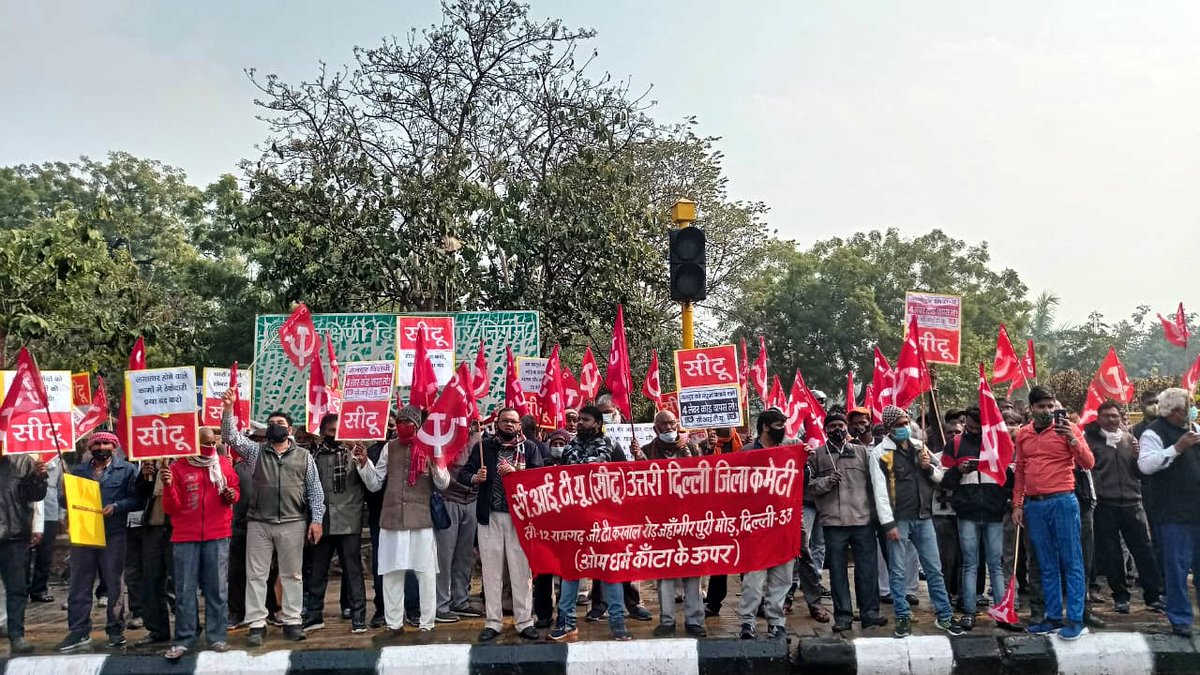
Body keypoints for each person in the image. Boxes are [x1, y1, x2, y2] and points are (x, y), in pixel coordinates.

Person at [220, 388, 326, 646]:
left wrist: (317, 519)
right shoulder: (256, 452)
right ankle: (256, 624)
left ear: (290, 430)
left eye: (280, 424)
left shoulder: (303, 456)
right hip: (259, 522)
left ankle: (292, 621)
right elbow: (230, 437)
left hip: (293, 522)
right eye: (271, 424)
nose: (274, 427)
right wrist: (228, 409)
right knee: (256, 575)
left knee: (292, 574)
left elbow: (314, 490)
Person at [356, 405, 451, 642]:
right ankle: (394, 625)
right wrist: (363, 462)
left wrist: (436, 461)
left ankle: (427, 626)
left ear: (418, 425)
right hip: (393, 519)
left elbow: (443, 483)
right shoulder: (389, 447)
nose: (402, 425)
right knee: (391, 573)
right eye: (399, 421)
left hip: (421, 520)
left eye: (407, 421)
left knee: (426, 573)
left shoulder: (431, 446)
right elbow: (375, 483)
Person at [874, 405, 963, 639]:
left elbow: (940, 475)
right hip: (898, 519)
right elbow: (880, 492)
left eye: (906, 422)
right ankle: (902, 618)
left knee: (934, 569)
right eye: (899, 424)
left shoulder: (919, 446)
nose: (904, 427)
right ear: (888, 428)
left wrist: (928, 468)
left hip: (923, 517)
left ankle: (944, 616)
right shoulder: (880, 453)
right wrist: (888, 523)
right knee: (898, 571)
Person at [1013, 386, 1093, 640]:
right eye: (1041, 407)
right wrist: (1017, 504)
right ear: (1031, 409)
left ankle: (1076, 619)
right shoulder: (1023, 434)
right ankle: (1053, 616)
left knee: (1071, 561)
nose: (1047, 411)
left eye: (1050, 406)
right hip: (1034, 504)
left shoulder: (1068, 429)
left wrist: (1072, 438)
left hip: (1063, 500)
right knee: (1046, 563)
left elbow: (1088, 463)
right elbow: (1021, 472)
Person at [457, 407, 543, 642]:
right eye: (504, 421)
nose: (508, 425)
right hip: (490, 516)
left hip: (519, 518)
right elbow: (463, 475)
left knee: (521, 571)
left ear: (519, 426)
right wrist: (476, 478)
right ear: (496, 424)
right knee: (491, 572)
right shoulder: (484, 448)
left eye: (513, 422)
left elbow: (539, 479)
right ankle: (493, 621)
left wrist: (516, 473)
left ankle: (524, 621)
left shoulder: (530, 448)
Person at [549, 405, 632, 642]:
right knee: (570, 571)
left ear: (597, 423)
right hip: (574, 520)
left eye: (585, 420)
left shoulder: (611, 446)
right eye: (578, 420)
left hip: (605, 520)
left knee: (610, 570)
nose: (579, 423)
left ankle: (617, 623)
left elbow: (624, 480)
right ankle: (566, 622)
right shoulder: (569, 449)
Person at [58, 431, 147, 653]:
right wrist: (64, 489)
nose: (101, 446)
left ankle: (115, 629)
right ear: (90, 448)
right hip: (84, 535)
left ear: (114, 447)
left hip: (113, 534)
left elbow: (137, 499)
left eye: (106, 442)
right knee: (79, 585)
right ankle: (78, 631)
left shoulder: (127, 470)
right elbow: (65, 502)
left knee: (115, 584)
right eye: (97, 443)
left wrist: (117, 507)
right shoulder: (78, 472)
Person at [160, 427, 239, 660]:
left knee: (217, 590)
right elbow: (170, 508)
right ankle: (185, 639)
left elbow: (236, 491)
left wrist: (231, 495)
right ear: (192, 444)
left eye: (213, 443)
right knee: (185, 591)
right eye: (205, 444)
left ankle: (217, 637)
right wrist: (167, 485)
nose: (210, 448)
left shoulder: (224, 464)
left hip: (218, 535)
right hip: (185, 537)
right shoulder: (177, 467)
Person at [807, 412, 889, 633]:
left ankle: (870, 614)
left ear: (847, 428)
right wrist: (825, 482)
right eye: (832, 426)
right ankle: (843, 616)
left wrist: (877, 516)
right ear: (826, 430)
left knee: (867, 570)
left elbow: (875, 485)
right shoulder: (817, 456)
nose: (837, 429)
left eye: (840, 425)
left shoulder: (863, 452)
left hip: (863, 520)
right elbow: (808, 487)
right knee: (837, 572)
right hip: (833, 523)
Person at [941, 407, 1019, 631]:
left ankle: (1003, 613)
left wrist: (1006, 497)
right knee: (969, 564)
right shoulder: (955, 444)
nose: (975, 431)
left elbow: (1010, 477)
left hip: (994, 511)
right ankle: (969, 611)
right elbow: (944, 481)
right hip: (967, 512)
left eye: (979, 428)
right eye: (971, 427)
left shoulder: (998, 443)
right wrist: (959, 470)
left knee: (996, 564)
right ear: (965, 422)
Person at [1086, 400, 1163, 615]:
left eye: (1115, 416)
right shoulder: (1090, 441)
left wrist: (1138, 457)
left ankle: (1153, 596)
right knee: (1112, 554)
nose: (1111, 420)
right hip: (1105, 504)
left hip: (1132, 502)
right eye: (1107, 416)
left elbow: (1140, 473)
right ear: (1098, 417)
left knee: (1144, 550)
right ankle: (1120, 595)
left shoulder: (1130, 439)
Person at [1136, 387, 1200, 637]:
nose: (1192, 409)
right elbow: (1146, 465)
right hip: (1173, 514)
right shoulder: (1153, 433)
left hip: (1197, 509)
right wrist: (1177, 448)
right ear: (1175, 411)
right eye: (1189, 405)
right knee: (1177, 569)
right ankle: (1180, 618)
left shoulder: (1194, 429)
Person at [638, 410, 706, 638]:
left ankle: (694, 620)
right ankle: (667, 620)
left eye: (671, 423)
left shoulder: (693, 448)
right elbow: (641, 486)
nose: (668, 427)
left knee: (693, 570)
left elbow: (702, 477)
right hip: (661, 521)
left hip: (690, 519)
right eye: (663, 424)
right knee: (665, 571)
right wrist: (638, 462)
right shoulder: (647, 451)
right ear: (656, 429)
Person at [303, 414, 369, 634]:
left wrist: (361, 459)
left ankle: (358, 617)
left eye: (339, 431)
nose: (336, 436)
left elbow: (370, 480)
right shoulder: (313, 455)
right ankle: (313, 616)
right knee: (317, 571)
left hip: (349, 520)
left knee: (353, 572)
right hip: (322, 521)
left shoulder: (355, 453)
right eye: (331, 432)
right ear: (322, 432)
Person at [738, 408, 794, 640]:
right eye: (779, 425)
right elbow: (736, 486)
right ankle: (747, 622)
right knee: (753, 577)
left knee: (782, 577)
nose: (784, 429)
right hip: (756, 523)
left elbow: (803, 479)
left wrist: (805, 461)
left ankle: (776, 622)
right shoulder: (747, 452)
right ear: (765, 427)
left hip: (784, 522)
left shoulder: (792, 447)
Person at [0, 448, 48, 654]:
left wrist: (39, 477)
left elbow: (36, 495)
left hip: (15, 534)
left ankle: (17, 636)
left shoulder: (24, 462)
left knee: (17, 588)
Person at [435, 422, 482, 623]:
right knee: (444, 556)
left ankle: (460, 600)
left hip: (471, 501)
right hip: (448, 500)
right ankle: (441, 604)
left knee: (464, 555)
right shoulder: (443, 436)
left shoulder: (479, 439)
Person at [132, 459, 173, 647]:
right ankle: (157, 629)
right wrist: (144, 478)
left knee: (180, 582)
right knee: (151, 580)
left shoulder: (184, 458)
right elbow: (139, 496)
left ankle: (188, 628)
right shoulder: (149, 462)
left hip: (176, 528)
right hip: (152, 526)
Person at [363, 411, 398, 628]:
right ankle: (382, 608)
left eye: (392, 424)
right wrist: (362, 462)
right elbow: (371, 485)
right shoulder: (370, 452)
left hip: (405, 515)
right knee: (381, 564)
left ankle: (409, 607)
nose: (390, 428)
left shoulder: (409, 450)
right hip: (379, 515)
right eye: (385, 425)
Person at [533, 429, 571, 627]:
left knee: (567, 574)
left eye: (561, 442)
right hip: (545, 528)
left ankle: (565, 613)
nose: (558, 447)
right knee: (543, 573)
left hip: (568, 527)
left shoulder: (573, 464)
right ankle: (544, 614)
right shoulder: (541, 463)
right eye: (554, 443)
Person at [27, 454, 60, 605]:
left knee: (45, 556)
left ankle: (39, 589)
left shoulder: (58, 462)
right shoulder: (24, 459)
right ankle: (22, 589)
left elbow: (62, 488)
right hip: (27, 513)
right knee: (24, 556)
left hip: (50, 512)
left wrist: (63, 514)